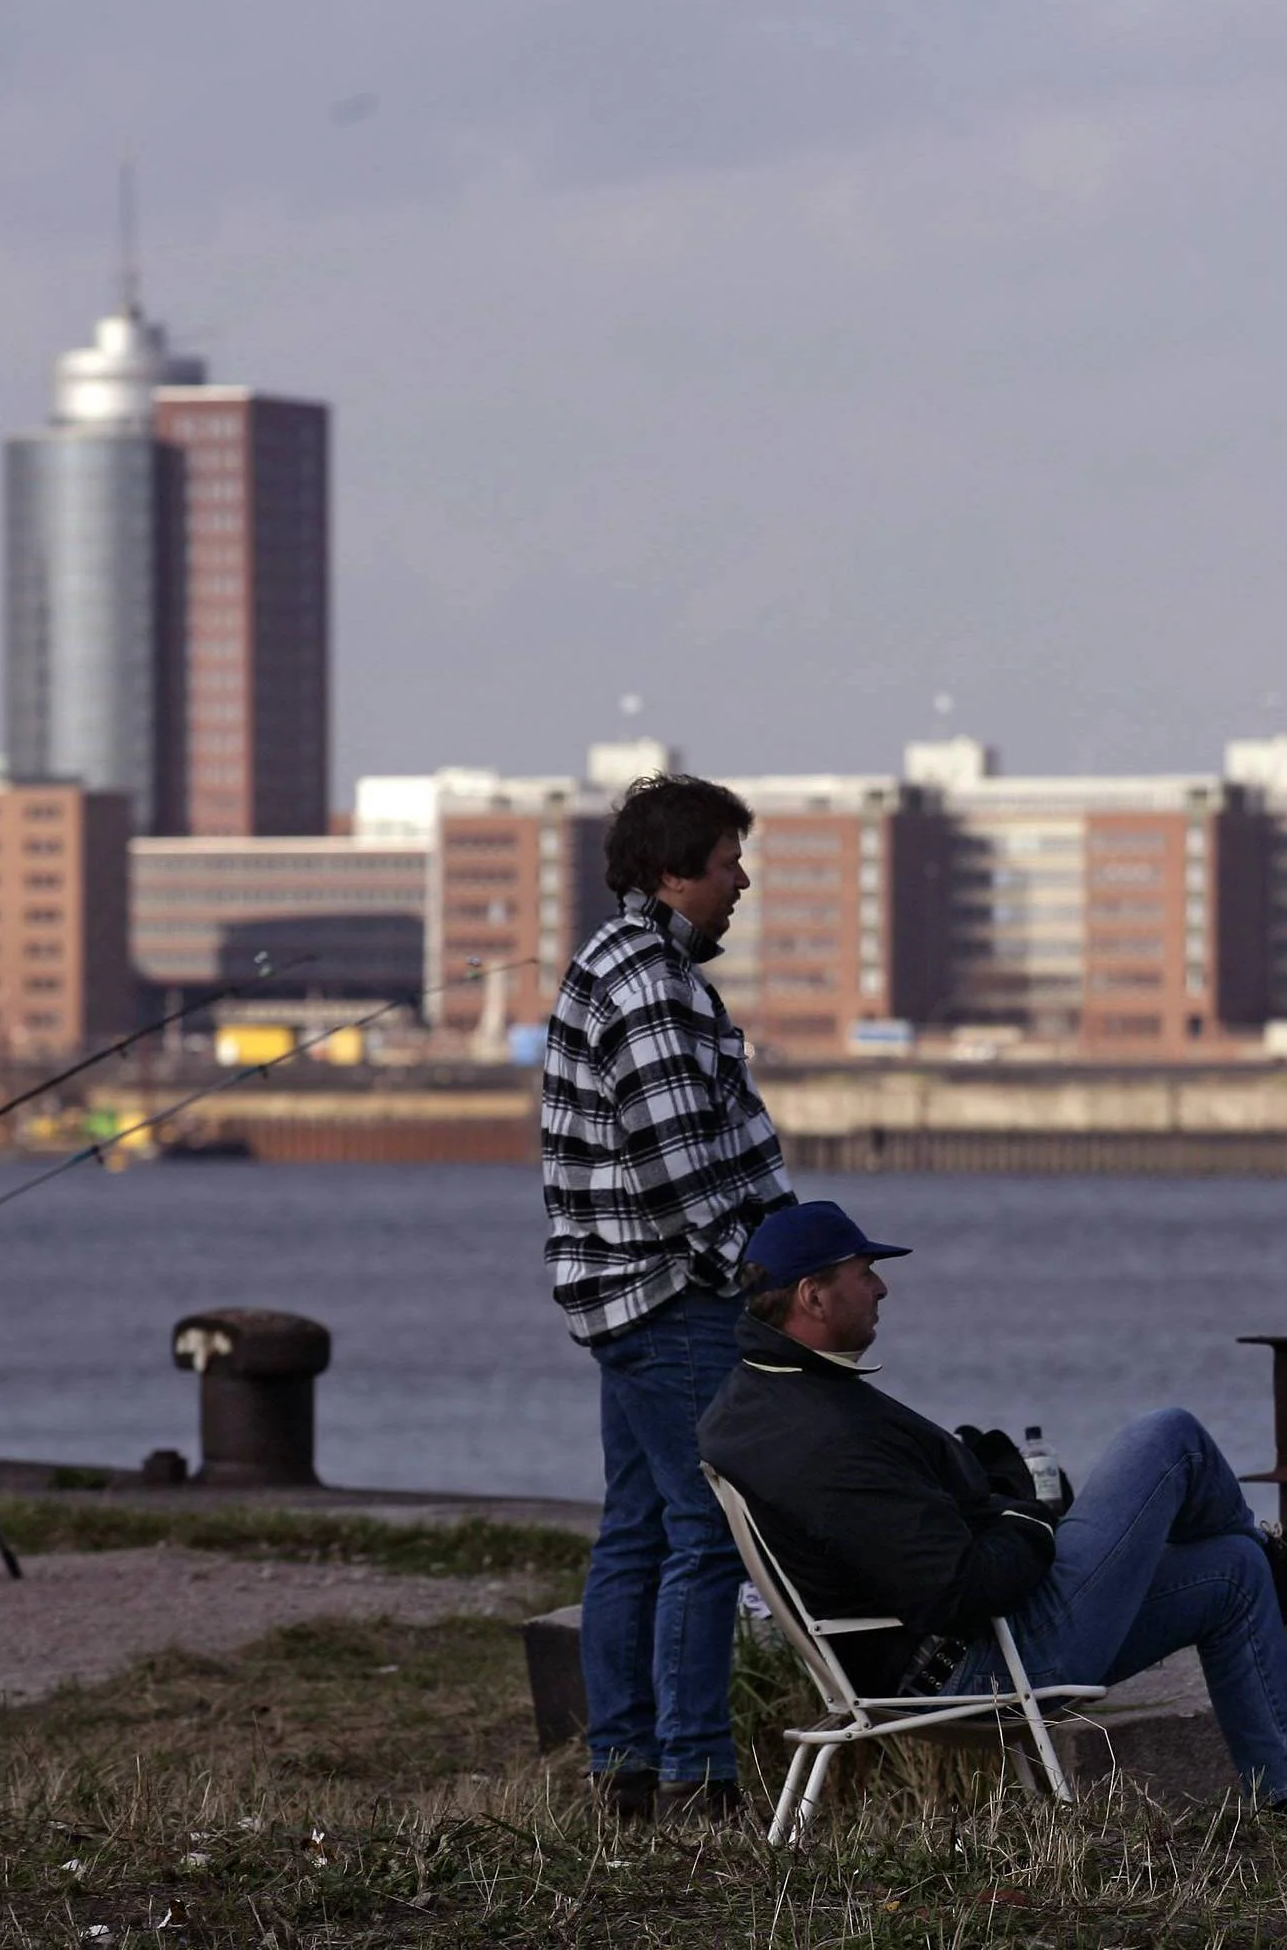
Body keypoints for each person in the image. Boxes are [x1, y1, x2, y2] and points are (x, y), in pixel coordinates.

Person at [698, 1200, 1287, 1811]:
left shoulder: (758, 1400)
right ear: (814, 1297)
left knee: (1232, 1571)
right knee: (1167, 1436)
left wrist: (983, 1495)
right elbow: (955, 1589)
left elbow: (906, 1534)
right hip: (984, 1665)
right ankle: (1284, 1571)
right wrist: (1026, 1515)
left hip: (953, 1654)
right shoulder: (826, 1436)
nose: (882, 1286)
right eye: (863, 1272)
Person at [543, 773, 797, 1823]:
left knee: (638, 1531)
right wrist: (765, 1271)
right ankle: (697, 1773)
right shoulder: (647, 979)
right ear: (671, 872)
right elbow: (678, 1162)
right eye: (728, 859)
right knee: (704, 1534)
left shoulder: (630, 964)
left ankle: (626, 1768)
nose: (742, 878)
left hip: (628, 1298)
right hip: (672, 1297)